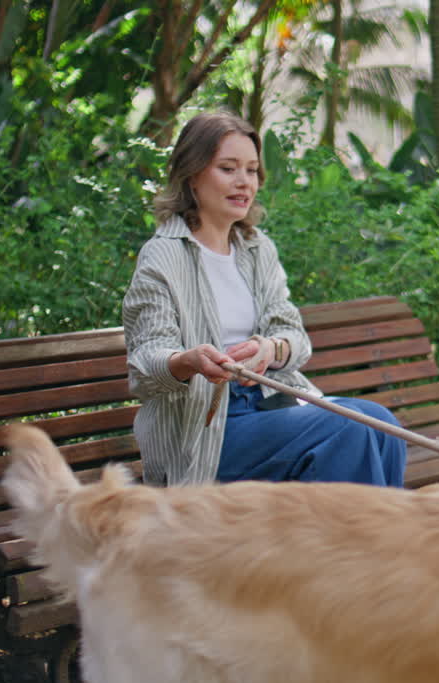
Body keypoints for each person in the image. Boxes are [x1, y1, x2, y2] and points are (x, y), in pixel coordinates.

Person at [122, 111, 406, 488]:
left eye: (252, 170)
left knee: (382, 424)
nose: (244, 182)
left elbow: (293, 335)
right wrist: (187, 361)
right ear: (192, 175)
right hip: (206, 428)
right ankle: (357, 547)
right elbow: (145, 366)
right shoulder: (163, 256)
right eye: (228, 168)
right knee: (346, 432)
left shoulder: (256, 248)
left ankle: (371, 545)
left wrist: (272, 349)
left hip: (272, 402)